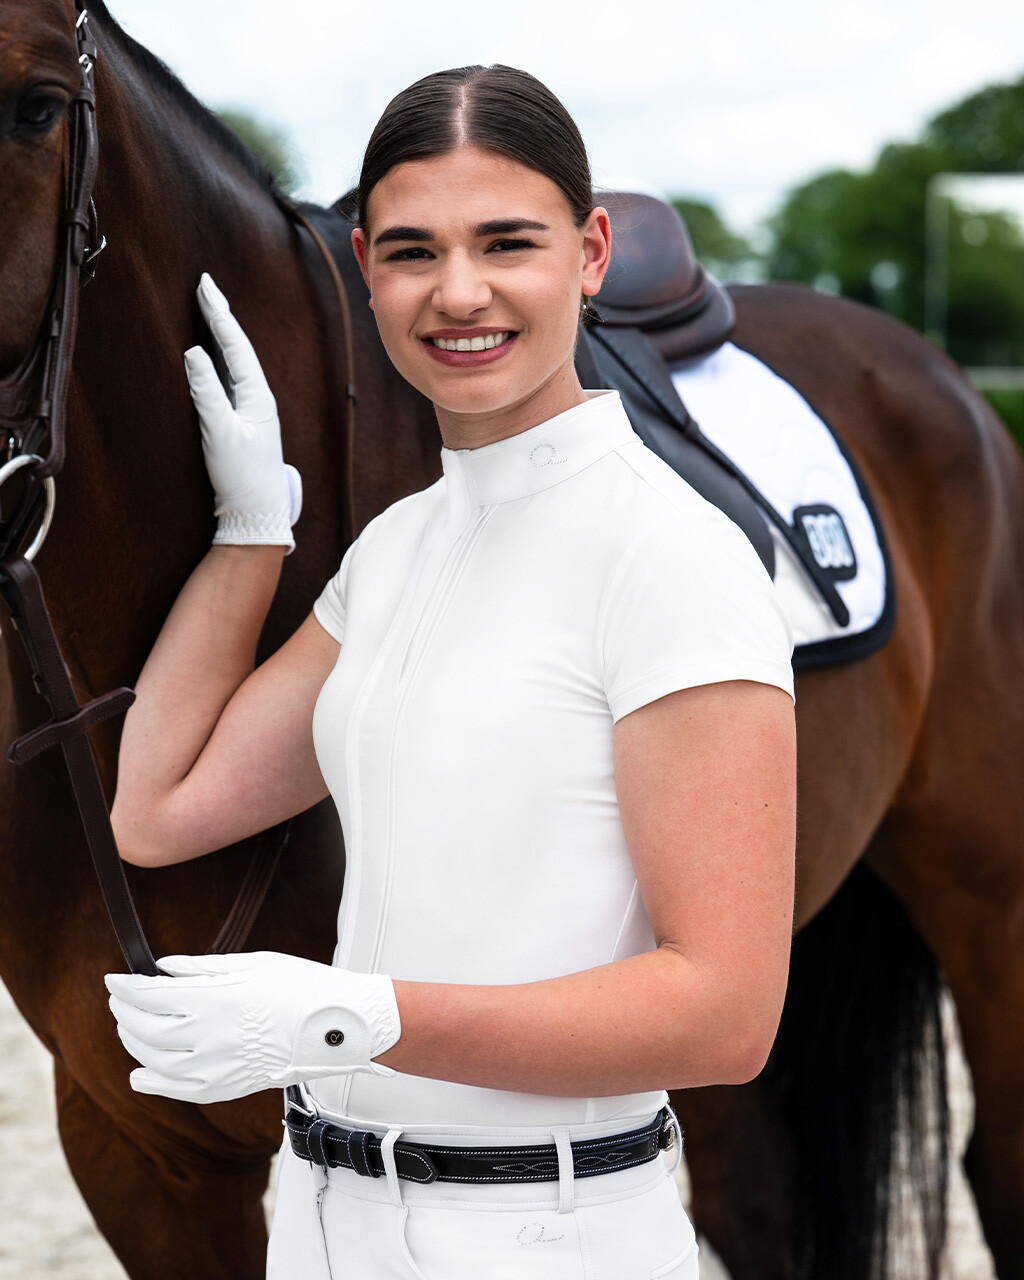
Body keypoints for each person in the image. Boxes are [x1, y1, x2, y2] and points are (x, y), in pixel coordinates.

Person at [105, 64, 796, 1280]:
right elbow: (158, 810)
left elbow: (725, 1013)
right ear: (365, 263)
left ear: (587, 252)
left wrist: (354, 1015)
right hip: (325, 1216)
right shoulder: (394, 546)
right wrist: (251, 530)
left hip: (547, 1235)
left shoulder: (672, 554)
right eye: (414, 250)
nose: (458, 291)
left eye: (506, 243)